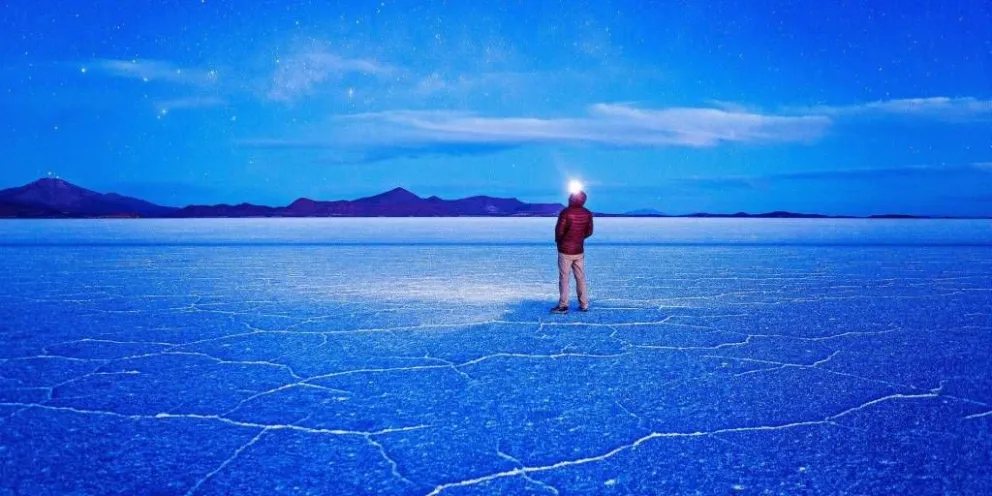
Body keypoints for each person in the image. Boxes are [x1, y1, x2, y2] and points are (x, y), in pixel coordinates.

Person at [551, 189, 593, 313]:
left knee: (564, 278)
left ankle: (563, 305)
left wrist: (559, 242)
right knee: (580, 277)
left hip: (565, 250)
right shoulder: (587, 213)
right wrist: (579, 238)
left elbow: (559, 231)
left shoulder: (565, 212)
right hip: (579, 250)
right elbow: (589, 232)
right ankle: (584, 304)